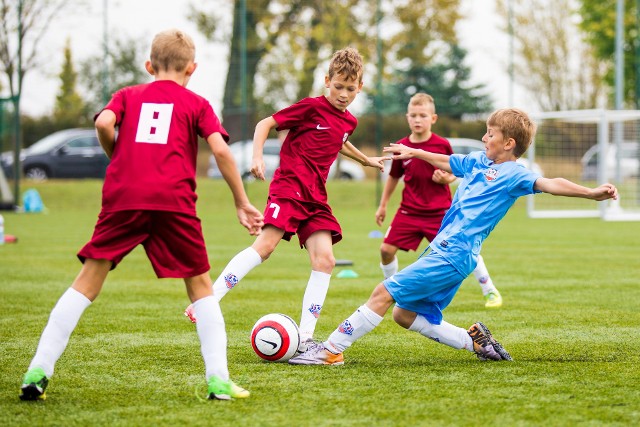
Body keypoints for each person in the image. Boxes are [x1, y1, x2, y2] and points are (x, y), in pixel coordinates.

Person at [19, 29, 264, 401]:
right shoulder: (196, 103)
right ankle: (218, 380)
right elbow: (222, 151)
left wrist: (116, 154)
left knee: (86, 282)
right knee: (200, 285)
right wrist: (241, 201)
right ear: (192, 69)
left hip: (123, 197)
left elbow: (103, 123)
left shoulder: (128, 96)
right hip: (173, 200)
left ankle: (38, 369)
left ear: (149, 66)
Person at [289, 108, 618, 366]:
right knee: (404, 315)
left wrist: (590, 193)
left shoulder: (514, 174)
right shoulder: (478, 162)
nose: (485, 137)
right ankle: (474, 341)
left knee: (382, 292)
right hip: (446, 251)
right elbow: (448, 160)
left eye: (491, 133)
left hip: (454, 253)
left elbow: (550, 183)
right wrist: (415, 153)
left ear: (509, 144)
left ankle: (330, 350)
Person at [184, 47, 386, 351]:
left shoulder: (349, 121)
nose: (343, 94)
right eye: (338, 86)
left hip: (316, 197)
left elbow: (340, 140)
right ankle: (207, 301)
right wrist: (256, 157)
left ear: (360, 88)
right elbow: (264, 124)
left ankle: (305, 338)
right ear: (327, 80)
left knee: (326, 261)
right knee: (264, 248)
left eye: (350, 88)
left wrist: (364, 161)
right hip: (289, 188)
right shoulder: (310, 107)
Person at [376, 93, 503, 308]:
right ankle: (392, 289)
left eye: (423, 115)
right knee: (386, 250)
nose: (418, 120)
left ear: (433, 119)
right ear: (407, 117)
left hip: (440, 214)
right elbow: (393, 177)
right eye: (413, 115)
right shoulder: (401, 145)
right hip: (409, 212)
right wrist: (383, 205)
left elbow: (456, 171)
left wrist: (447, 178)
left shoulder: (442, 144)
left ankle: (489, 290)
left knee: (463, 250)